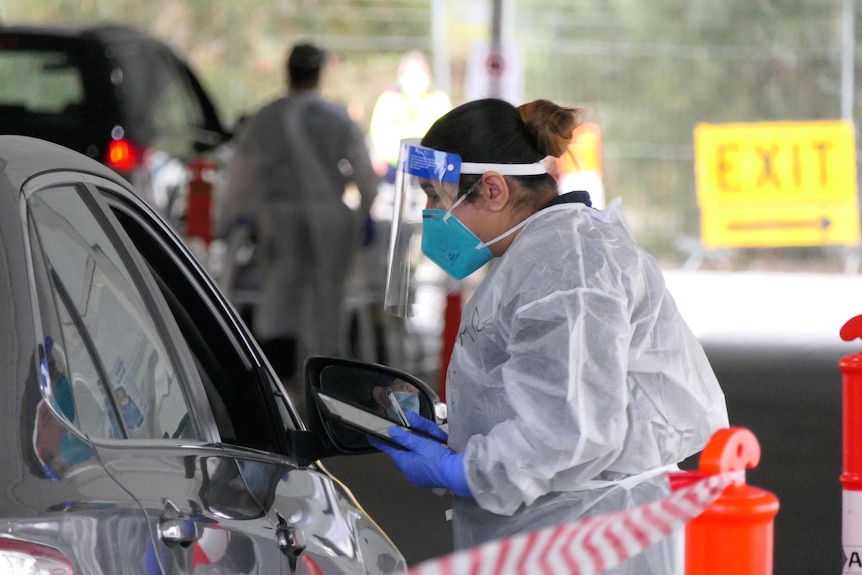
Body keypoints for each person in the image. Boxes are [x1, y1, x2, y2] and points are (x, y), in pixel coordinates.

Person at [373, 98, 729, 574]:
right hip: (561, 531)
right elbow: (536, 392)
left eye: (435, 197)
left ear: (493, 190)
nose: (430, 214)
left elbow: (572, 428)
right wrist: (450, 433)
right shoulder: (536, 256)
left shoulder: (567, 262)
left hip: (592, 540)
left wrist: (460, 469)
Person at [220, 42, 379, 381]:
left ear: (287, 72)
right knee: (329, 297)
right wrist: (366, 210)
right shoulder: (336, 117)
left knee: (279, 292)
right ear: (319, 73)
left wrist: (234, 218)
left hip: (279, 218)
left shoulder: (265, 118)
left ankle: (278, 375)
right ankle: (328, 374)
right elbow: (365, 173)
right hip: (330, 221)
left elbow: (240, 177)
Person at [368, 50, 452, 185]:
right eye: (408, 70)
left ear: (428, 73)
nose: (414, 75)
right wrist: (381, 156)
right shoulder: (389, 97)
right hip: (393, 167)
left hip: (428, 167)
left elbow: (446, 134)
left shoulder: (438, 98)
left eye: (419, 70)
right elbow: (378, 130)